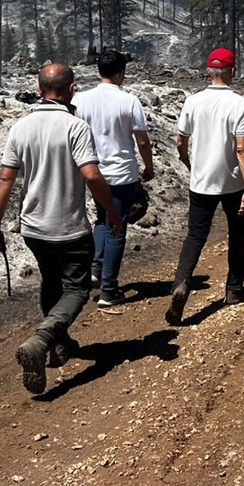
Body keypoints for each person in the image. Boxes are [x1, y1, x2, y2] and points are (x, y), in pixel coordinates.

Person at [0, 63, 124, 395]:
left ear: (38, 90)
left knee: (51, 281)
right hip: (69, 227)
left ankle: (58, 346)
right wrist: (112, 213)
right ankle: (43, 338)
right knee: (76, 289)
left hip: (32, 227)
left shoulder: (21, 127)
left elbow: (6, 178)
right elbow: (91, 175)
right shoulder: (75, 127)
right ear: (71, 89)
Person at [165, 47, 244, 325]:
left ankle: (182, 282)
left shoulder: (193, 101)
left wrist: (187, 160)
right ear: (232, 72)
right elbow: (242, 148)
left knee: (195, 235)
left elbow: (181, 140)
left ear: (208, 71)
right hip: (231, 182)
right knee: (236, 234)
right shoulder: (240, 103)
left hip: (201, 181)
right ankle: (234, 289)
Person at [72, 50, 155, 307]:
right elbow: (142, 139)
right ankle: (108, 289)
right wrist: (149, 166)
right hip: (122, 173)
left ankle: (96, 269)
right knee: (117, 228)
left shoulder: (80, 99)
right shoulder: (129, 101)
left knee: (101, 219)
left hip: (92, 171)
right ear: (121, 73)